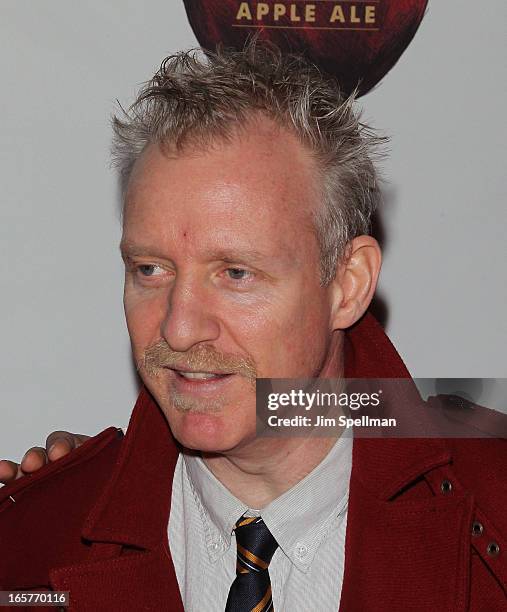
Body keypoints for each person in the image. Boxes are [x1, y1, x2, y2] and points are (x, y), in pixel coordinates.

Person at [0, 42, 505, 611]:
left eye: (236, 273)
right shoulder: (25, 549)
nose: (180, 327)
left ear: (348, 284)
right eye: (150, 269)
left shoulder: (492, 509)